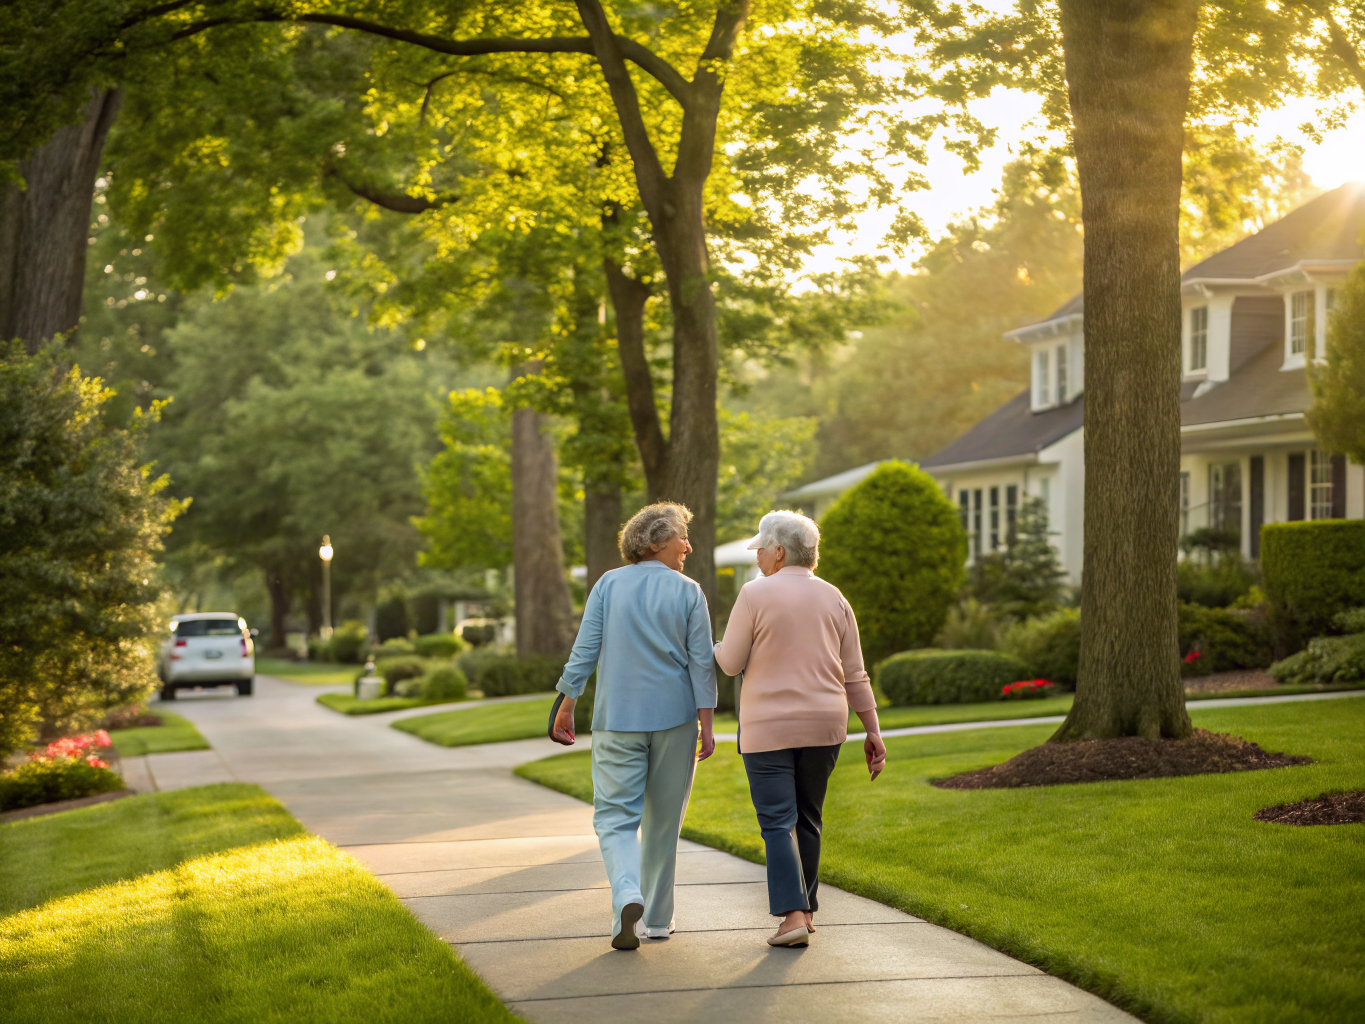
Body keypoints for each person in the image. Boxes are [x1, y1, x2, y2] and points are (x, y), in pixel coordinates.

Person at [713, 509, 886, 948]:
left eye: (760, 550)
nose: (757, 558)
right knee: (808, 819)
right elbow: (855, 674)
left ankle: (791, 916)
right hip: (825, 725)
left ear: (778, 552)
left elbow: (730, 663)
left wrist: (714, 646)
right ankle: (805, 912)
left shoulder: (754, 594)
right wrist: (873, 731)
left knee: (777, 822)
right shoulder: (835, 598)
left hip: (767, 727)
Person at [550, 502, 717, 950]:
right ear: (655, 541)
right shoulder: (690, 591)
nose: (688, 546)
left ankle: (627, 893)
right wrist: (707, 722)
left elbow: (585, 650)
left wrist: (567, 703)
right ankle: (658, 920)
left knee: (615, 818)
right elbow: (702, 662)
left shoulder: (608, 584)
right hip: (676, 719)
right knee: (664, 822)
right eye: (682, 537)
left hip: (617, 718)